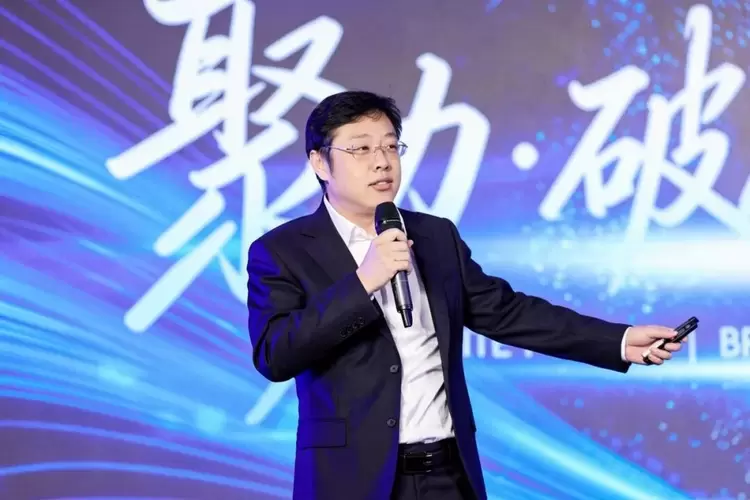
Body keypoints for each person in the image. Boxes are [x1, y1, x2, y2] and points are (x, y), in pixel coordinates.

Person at [246, 90, 683, 500]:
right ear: (320, 163)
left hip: (447, 475)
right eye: (361, 149)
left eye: (391, 146)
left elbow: (508, 313)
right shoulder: (282, 251)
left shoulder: (434, 236)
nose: (381, 162)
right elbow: (275, 354)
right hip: (350, 479)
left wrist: (619, 340)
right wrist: (364, 282)